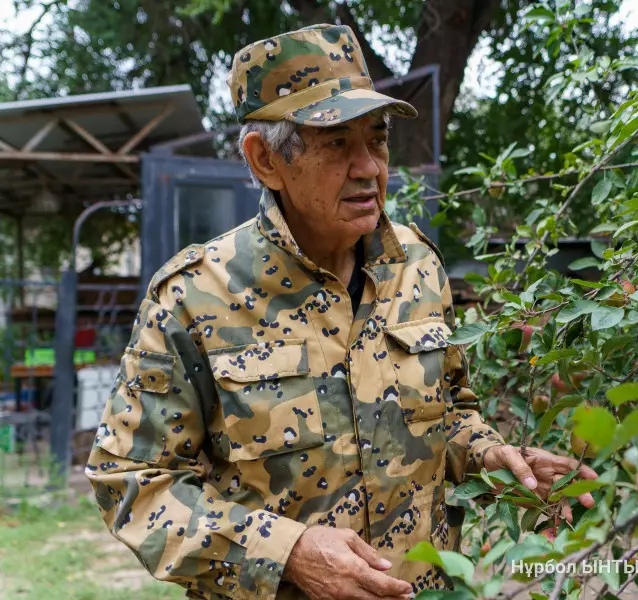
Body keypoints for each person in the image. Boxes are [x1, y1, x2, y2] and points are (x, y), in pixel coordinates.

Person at [85, 24, 597, 600]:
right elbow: (131, 481)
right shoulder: (194, 296)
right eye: (335, 144)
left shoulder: (416, 267)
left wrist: (492, 455)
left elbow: (446, 413)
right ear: (265, 161)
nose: (368, 168)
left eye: (376, 140)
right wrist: (288, 552)